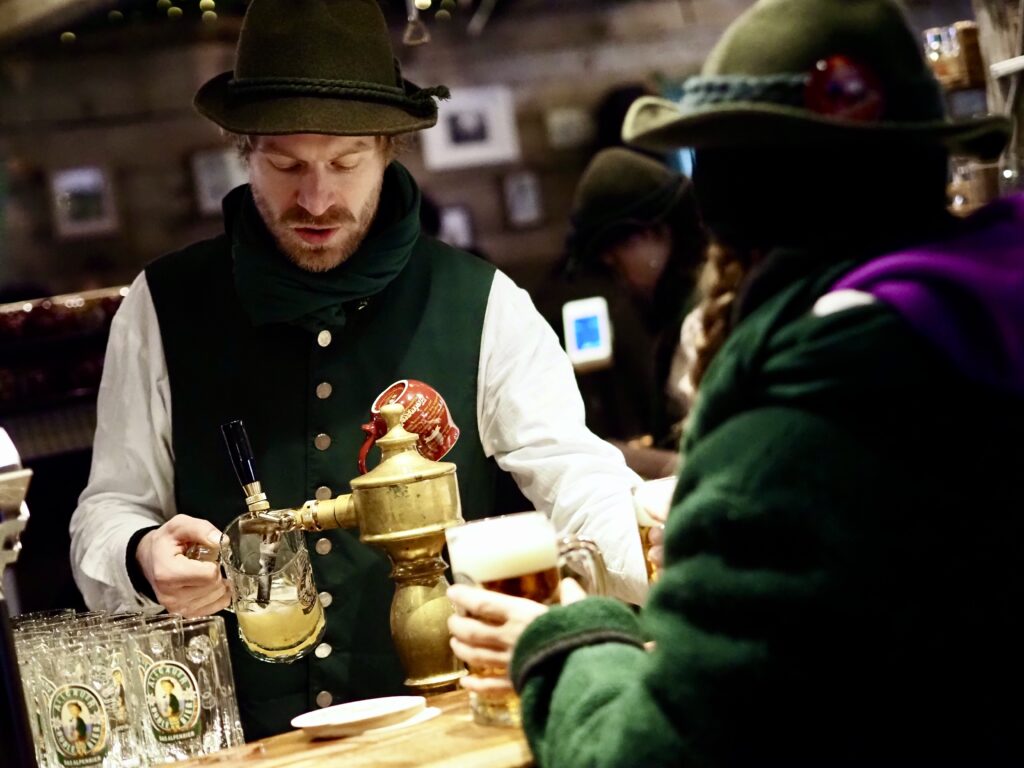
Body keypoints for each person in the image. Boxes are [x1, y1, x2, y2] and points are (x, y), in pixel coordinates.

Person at [447, 0, 1024, 764]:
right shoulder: (987, 311)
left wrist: (572, 638)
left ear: (720, 202)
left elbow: (654, 754)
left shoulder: (811, 407)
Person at [69, 0, 647, 739]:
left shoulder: (482, 304)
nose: (315, 198)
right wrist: (140, 553)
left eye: (344, 163)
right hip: (249, 745)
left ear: (388, 148)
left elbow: (578, 481)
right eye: (285, 165)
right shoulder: (161, 307)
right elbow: (106, 511)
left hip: (453, 733)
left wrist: (668, 551)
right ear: (244, 151)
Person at [538, 148, 705, 476]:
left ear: (657, 233)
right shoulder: (669, 307)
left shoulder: (697, 314)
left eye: (617, 246)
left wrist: (636, 459)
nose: (610, 261)